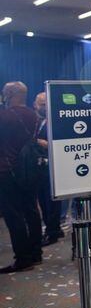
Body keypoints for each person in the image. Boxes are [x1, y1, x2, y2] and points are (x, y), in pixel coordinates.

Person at [0, 82, 42, 273]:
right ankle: (36, 252)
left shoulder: (4, 116)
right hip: (29, 168)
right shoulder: (33, 116)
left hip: (7, 171)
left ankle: (23, 258)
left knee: (13, 215)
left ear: (10, 94)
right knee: (31, 210)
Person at [33, 92, 62, 245]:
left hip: (52, 166)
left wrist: (41, 142)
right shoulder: (36, 121)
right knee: (43, 201)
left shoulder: (56, 121)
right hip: (39, 167)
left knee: (51, 202)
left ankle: (53, 232)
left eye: (45, 104)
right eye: (41, 104)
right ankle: (53, 228)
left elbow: (59, 143)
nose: (43, 107)